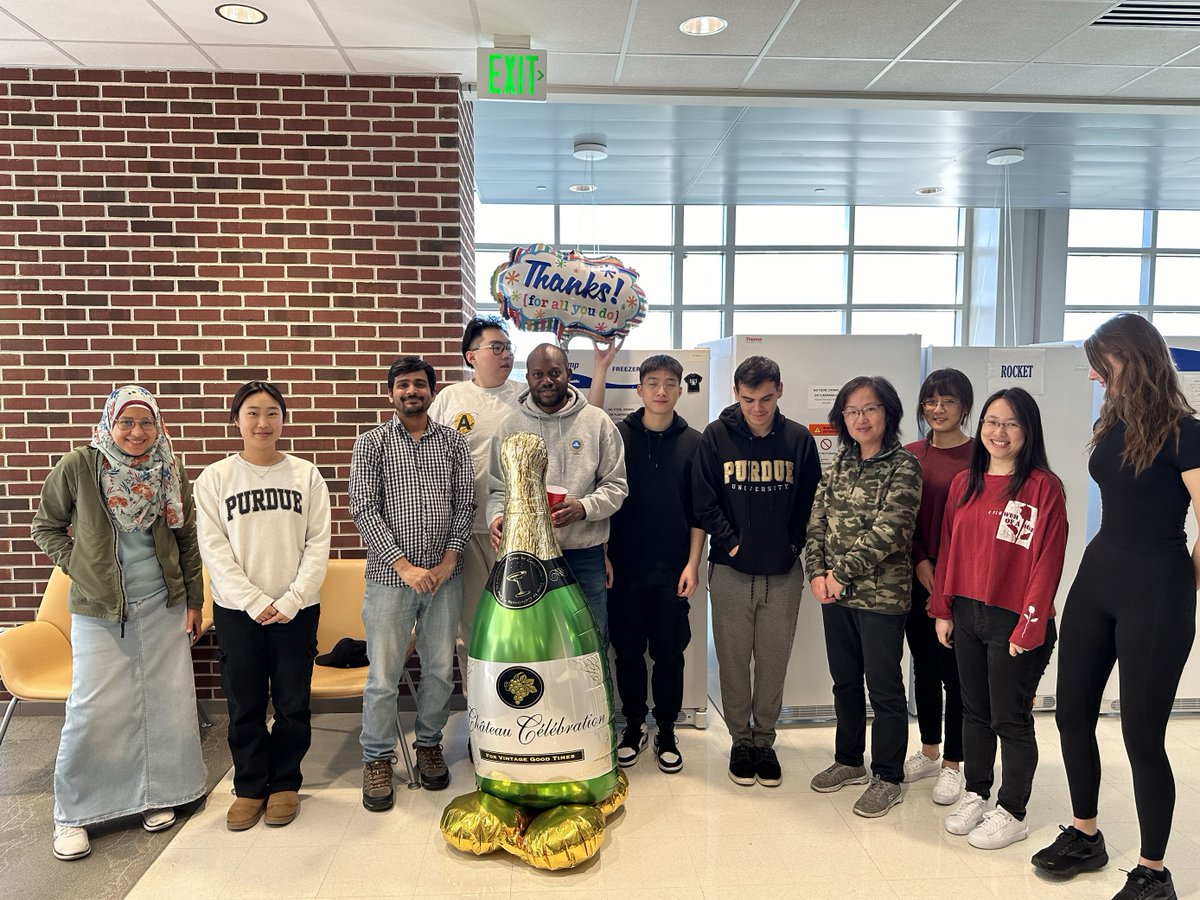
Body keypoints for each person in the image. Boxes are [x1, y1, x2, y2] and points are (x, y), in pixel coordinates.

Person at [1032, 314, 1200, 900]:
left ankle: (1154, 873)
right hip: (1099, 576)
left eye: (1103, 363)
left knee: (1142, 735)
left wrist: (1181, 586)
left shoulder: (1188, 432)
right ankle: (1085, 834)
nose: (1094, 374)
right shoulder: (1113, 421)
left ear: (1136, 358)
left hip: (1157, 586)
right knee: (1071, 712)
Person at [31, 385, 207, 861]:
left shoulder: (169, 467)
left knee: (163, 704)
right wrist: (81, 566)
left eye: (146, 422)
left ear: (158, 426)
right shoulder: (80, 466)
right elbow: (44, 526)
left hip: (163, 603)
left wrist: (194, 600)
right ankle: (73, 814)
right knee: (92, 711)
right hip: (100, 608)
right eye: (126, 422)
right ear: (110, 422)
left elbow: (186, 538)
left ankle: (157, 795)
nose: (136, 432)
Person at [930, 388, 1067, 850]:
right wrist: (944, 608)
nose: (998, 431)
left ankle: (1013, 810)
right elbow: (949, 548)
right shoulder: (964, 485)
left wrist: (1028, 627)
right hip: (968, 612)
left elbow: (1047, 562)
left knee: (1010, 718)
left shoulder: (1042, 487)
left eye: (1010, 422)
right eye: (991, 421)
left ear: (1028, 430)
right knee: (974, 712)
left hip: (1016, 620)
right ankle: (977, 792)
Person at [194, 382, 331, 831]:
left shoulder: (306, 475)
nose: (262, 422)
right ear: (236, 420)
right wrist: (253, 601)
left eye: (272, 413)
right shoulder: (214, 478)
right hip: (238, 611)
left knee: (293, 702)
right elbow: (212, 548)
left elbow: (318, 544)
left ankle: (286, 783)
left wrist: (291, 600)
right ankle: (250, 787)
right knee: (245, 701)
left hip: (297, 609)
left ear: (283, 420)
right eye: (252, 413)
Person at [350, 357, 474, 807]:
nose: (411, 391)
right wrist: (404, 566)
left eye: (419, 384)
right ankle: (378, 759)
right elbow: (364, 508)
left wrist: (447, 561)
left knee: (440, 669)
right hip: (390, 578)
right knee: (383, 677)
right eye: (402, 385)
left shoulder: (454, 445)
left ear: (432, 392)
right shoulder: (371, 445)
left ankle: (428, 746)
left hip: (446, 578)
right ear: (390, 394)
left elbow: (465, 505)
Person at [693, 355, 820, 788]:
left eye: (766, 398)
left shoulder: (799, 440)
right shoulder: (715, 436)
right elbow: (704, 500)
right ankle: (740, 740)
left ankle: (764, 741)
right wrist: (730, 541)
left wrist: (793, 545)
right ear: (736, 394)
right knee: (732, 662)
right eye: (749, 399)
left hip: (783, 572)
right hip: (730, 570)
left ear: (779, 391)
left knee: (772, 663)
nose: (758, 408)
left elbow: (809, 503)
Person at [804, 375, 921, 818]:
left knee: (885, 689)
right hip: (836, 596)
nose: (860, 418)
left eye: (869, 408)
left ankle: (888, 776)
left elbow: (890, 531)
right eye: (851, 411)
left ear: (887, 412)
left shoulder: (904, 466)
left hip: (882, 598)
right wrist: (817, 573)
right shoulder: (840, 465)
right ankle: (849, 760)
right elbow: (816, 523)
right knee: (845, 682)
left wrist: (839, 575)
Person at [487, 342, 627, 648]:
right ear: (529, 378)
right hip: (528, 555)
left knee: (591, 638)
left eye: (554, 372)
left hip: (584, 554)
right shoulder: (511, 426)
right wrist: (496, 518)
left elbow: (617, 486)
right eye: (538, 374)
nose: (546, 380)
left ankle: (594, 698)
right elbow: (499, 488)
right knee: (536, 642)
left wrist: (583, 507)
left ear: (568, 374)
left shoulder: (597, 422)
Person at [607, 354, 704, 773]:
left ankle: (666, 728)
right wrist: (605, 555)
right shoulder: (616, 436)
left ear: (680, 389)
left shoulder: (696, 442)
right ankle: (632, 726)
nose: (661, 391)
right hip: (623, 567)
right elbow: (603, 500)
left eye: (669, 383)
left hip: (672, 568)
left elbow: (701, 511)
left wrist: (693, 564)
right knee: (627, 653)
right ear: (640, 389)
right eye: (653, 383)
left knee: (669, 654)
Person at [428, 316, 521, 693]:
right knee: (471, 629)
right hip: (463, 534)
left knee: (517, 625)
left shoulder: (525, 395)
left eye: (508, 347)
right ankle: (479, 714)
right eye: (496, 347)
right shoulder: (451, 399)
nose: (506, 354)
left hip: (514, 532)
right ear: (471, 356)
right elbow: (427, 458)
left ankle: (516, 707)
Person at [902, 368, 974, 806]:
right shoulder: (910, 454)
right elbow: (901, 519)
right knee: (923, 668)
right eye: (931, 401)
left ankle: (953, 763)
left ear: (965, 405)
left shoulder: (979, 455)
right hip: (916, 577)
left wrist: (945, 570)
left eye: (948, 401)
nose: (938, 409)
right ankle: (929, 750)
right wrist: (921, 561)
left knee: (957, 675)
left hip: (961, 582)